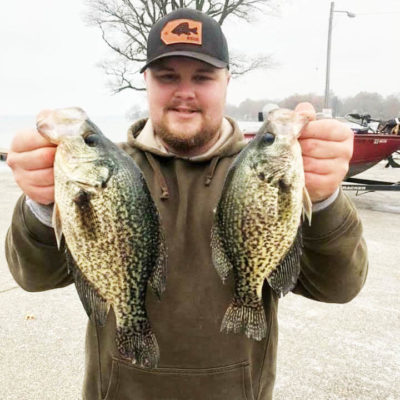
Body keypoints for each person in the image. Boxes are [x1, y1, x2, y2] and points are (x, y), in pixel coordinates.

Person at [5, 8, 368, 400]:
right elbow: (33, 276)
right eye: (167, 77)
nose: (185, 93)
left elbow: (339, 286)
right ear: (146, 81)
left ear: (227, 80)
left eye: (203, 77)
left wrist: (325, 197)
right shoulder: (110, 170)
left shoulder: (262, 172)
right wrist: (42, 203)